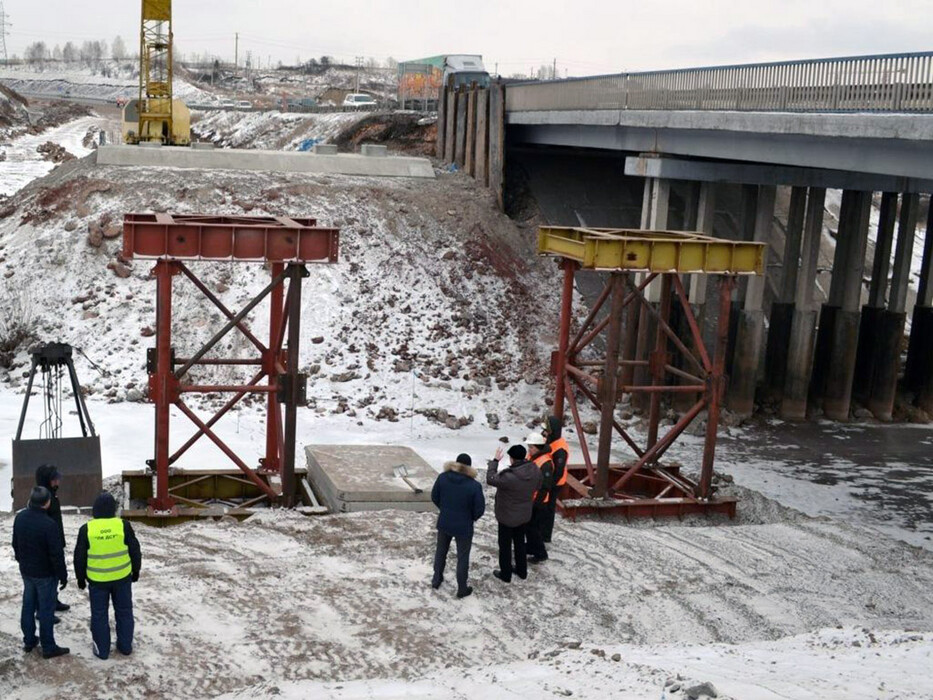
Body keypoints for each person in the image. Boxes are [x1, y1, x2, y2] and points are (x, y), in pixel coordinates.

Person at [74, 492, 142, 660]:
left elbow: (79, 556)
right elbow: (135, 549)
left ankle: (102, 650)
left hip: (97, 581)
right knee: (125, 612)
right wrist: (136, 570)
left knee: (99, 615)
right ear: (113, 509)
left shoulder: (87, 529)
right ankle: (125, 647)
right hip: (122, 578)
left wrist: (80, 578)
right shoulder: (123, 525)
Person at [12, 486, 70, 659]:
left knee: (28, 605)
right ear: (47, 503)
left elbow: (15, 543)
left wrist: (22, 561)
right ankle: (49, 646)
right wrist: (63, 575)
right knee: (46, 610)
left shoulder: (20, 517)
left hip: (27, 571)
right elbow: (56, 554)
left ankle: (29, 640)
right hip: (45, 574)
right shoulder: (49, 524)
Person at [430, 452, 485, 599]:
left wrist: (445, 509)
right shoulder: (474, 485)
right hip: (464, 526)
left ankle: (436, 579)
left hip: (445, 521)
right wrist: (470, 517)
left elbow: (434, 496)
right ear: (469, 467)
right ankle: (462, 588)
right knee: (463, 557)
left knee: (441, 551)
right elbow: (479, 509)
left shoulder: (443, 478)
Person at [486, 443, 541, 584]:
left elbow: (490, 479)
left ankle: (506, 574)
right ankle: (522, 571)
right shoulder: (534, 470)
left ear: (511, 459)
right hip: (523, 515)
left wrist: (495, 461)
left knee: (505, 545)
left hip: (507, 516)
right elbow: (539, 485)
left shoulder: (509, 477)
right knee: (520, 543)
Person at [35, 464, 69, 616]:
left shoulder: (52, 495)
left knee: (53, 576)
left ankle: (53, 602)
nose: (58, 482)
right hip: (47, 545)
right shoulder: (43, 498)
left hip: (54, 541)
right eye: (55, 479)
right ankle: (43, 610)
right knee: (46, 579)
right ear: (47, 480)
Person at [524, 433, 554, 564]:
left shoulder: (545, 463)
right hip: (532, 499)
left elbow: (546, 486)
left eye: (531, 447)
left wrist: (536, 503)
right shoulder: (534, 457)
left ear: (538, 447)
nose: (529, 450)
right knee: (529, 527)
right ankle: (531, 547)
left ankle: (541, 553)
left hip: (539, 502)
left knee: (534, 529)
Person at [540, 416, 570, 543]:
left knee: (548, 509)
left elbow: (558, 471)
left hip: (554, 483)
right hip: (547, 480)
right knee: (544, 508)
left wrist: (549, 486)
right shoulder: (552, 441)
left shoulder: (560, 449)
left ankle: (546, 536)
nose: (544, 432)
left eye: (546, 430)